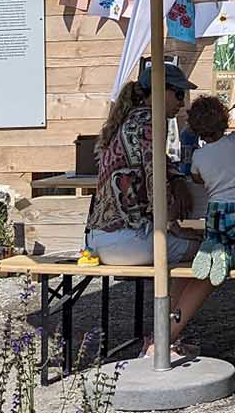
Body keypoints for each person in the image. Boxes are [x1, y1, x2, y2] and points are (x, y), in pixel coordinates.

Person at [156, 96, 235, 353]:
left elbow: (196, 177)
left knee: (213, 241)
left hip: (215, 210)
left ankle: (213, 252)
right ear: (224, 121)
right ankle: (227, 256)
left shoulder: (200, 156)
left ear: (194, 129)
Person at [84, 60, 201, 268]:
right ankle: (177, 303)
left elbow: (153, 161)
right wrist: (170, 224)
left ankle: (176, 302)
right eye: (179, 94)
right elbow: (153, 175)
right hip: (129, 241)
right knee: (206, 250)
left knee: (194, 253)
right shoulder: (151, 120)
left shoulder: (128, 119)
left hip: (98, 240)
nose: (182, 103)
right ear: (159, 90)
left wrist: (175, 178)